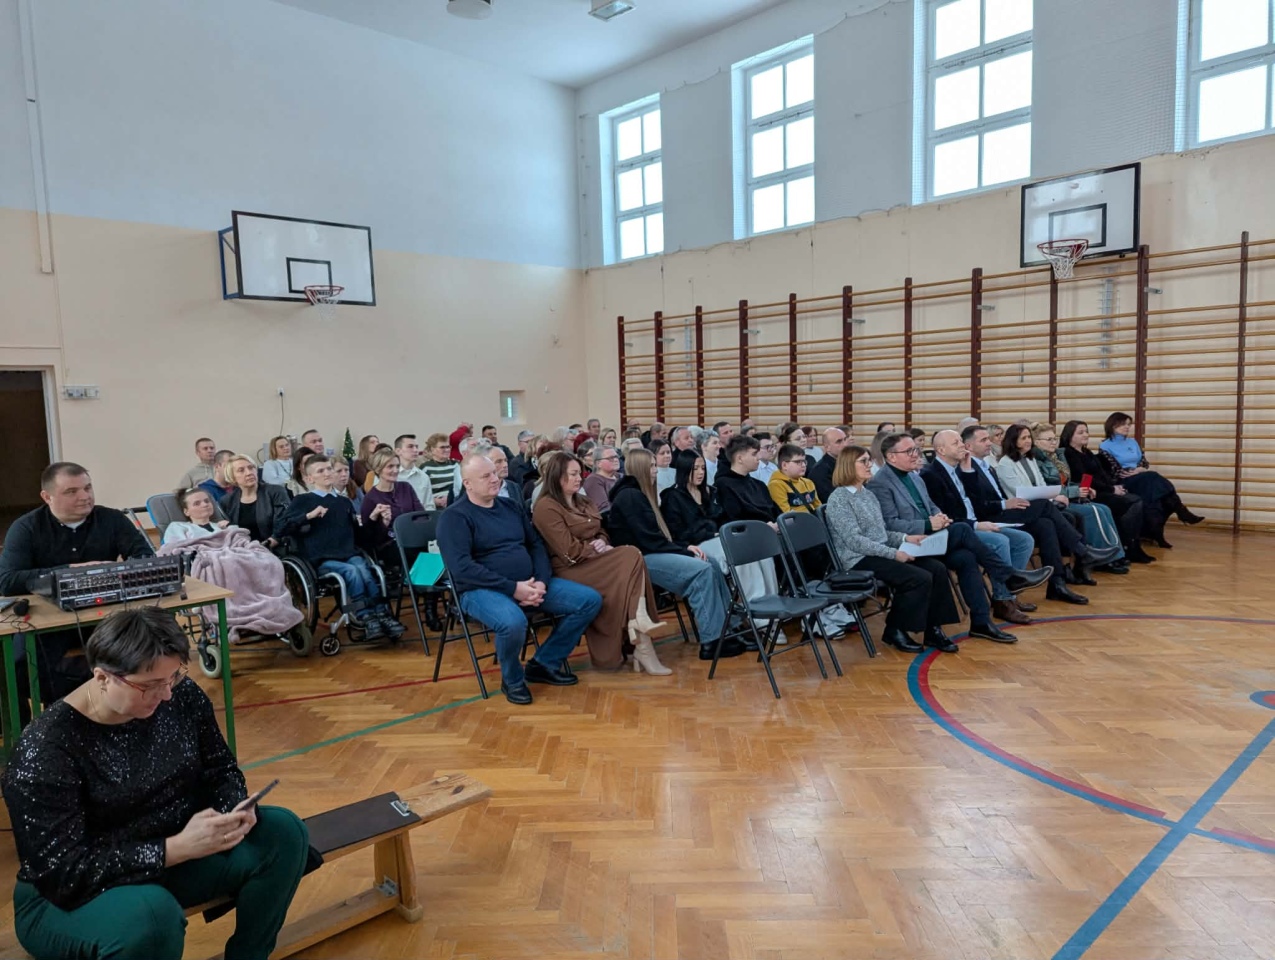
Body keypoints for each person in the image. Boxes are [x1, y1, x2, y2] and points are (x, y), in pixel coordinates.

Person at [0, 607, 310, 960]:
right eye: (149, 685)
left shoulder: (180, 694)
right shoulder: (46, 748)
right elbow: (64, 872)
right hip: (66, 895)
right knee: (153, 917)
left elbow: (221, 769)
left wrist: (232, 812)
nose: (166, 694)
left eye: (174, 677)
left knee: (284, 832)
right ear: (102, 678)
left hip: (167, 859)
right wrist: (174, 848)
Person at [437, 453, 603, 704]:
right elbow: (462, 568)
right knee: (513, 623)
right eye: (486, 476)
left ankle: (544, 663)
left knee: (588, 600)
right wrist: (513, 588)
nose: (495, 478)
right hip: (479, 590)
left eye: (495, 472)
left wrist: (541, 582)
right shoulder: (454, 517)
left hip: (529, 583)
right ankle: (513, 680)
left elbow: (536, 545)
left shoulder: (511, 507)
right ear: (467, 483)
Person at [866, 433, 1049, 643]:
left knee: (966, 558)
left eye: (915, 450)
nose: (915, 454)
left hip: (931, 537)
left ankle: (981, 622)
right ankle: (1008, 576)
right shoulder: (881, 483)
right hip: (909, 542)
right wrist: (927, 524)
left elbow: (931, 506)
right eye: (909, 451)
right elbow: (889, 524)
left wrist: (939, 517)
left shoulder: (915, 477)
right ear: (891, 457)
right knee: (962, 529)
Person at [0, 462, 156, 706]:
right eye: (71, 492)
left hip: (108, 615)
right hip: (49, 619)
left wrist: (113, 570)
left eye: (88, 488)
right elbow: (8, 581)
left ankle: (118, 704)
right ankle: (73, 707)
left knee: (152, 645)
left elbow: (146, 559)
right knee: (22, 662)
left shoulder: (112, 519)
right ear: (47, 496)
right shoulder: (26, 528)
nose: (85, 497)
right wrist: (67, 572)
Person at [932, 427, 1120, 604]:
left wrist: (1006, 502)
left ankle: (1057, 584)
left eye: (989, 439)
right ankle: (1082, 551)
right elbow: (977, 506)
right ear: (970, 446)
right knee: (1044, 506)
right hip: (991, 515)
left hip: (999, 510)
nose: (990, 443)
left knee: (1045, 524)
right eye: (984, 440)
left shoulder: (985, 466)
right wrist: (1005, 503)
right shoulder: (966, 468)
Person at [532, 453, 672, 674]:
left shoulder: (583, 500)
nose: (580, 478)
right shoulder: (546, 507)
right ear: (558, 477)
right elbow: (568, 551)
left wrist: (603, 542)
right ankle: (640, 628)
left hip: (595, 560)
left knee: (630, 560)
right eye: (574, 474)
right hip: (569, 569)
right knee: (631, 555)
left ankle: (641, 637)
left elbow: (602, 530)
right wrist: (593, 548)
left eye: (580, 473)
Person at [606, 449, 739, 662]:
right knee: (701, 571)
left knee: (710, 561)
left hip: (649, 553)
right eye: (651, 466)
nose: (655, 470)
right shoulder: (630, 496)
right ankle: (711, 641)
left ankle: (730, 627)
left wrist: (683, 547)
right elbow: (649, 541)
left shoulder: (638, 493)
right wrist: (683, 549)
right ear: (640, 468)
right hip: (638, 560)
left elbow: (656, 538)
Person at [825, 446, 961, 654]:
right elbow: (855, 541)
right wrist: (894, 553)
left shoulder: (867, 495)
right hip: (858, 559)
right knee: (917, 577)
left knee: (936, 568)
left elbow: (882, 533)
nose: (869, 464)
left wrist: (907, 538)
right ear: (848, 466)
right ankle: (895, 629)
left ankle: (933, 629)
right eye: (863, 461)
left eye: (869, 460)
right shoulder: (839, 499)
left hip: (879, 551)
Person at [281, 456, 405, 641]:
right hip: (321, 558)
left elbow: (359, 537)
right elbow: (283, 528)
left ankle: (382, 613)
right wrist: (308, 516)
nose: (327, 473)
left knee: (365, 568)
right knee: (352, 571)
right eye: (320, 471)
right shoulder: (302, 501)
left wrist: (374, 519)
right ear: (308, 478)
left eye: (329, 469)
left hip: (347, 552)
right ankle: (366, 616)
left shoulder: (344, 502)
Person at [662, 452, 780, 617]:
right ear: (683, 470)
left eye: (702, 468)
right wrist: (712, 531)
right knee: (740, 553)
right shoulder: (672, 497)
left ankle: (772, 602)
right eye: (695, 468)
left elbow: (723, 518)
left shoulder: (711, 492)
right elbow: (678, 532)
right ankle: (758, 614)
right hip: (697, 543)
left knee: (760, 549)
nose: (701, 472)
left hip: (720, 537)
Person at [1000, 424, 1128, 574]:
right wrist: (1055, 495)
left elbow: (1041, 484)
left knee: (1070, 517)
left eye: (1029, 437)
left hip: (1039, 505)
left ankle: (1077, 568)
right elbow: (1021, 491)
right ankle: (1083, 553)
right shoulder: (1005, 463)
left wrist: (1053, 494)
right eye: (1024, 438)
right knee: (1070, 516)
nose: (1028, 441)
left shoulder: (1030, 459)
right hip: (1020, 508)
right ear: (1013, 441)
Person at [1100, 412, 1204, 546]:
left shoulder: (1132, 442)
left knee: (1157, 498)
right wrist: (1131, 471)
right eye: (1123, 424)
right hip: (1124, 480)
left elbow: (1144, 463)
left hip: (1141, 477)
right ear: (1112, 425)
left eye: (1128, 424)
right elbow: (1111, 470)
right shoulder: (1105, 446)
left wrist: (1139, 469)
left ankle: (1157, 533)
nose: (1127, 427)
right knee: (1153, 476)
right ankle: (1180, 510)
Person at [1061, 420, 1155, 563]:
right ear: (1069, 436)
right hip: (1091, 492)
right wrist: (1111, 489)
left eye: (1086, 431)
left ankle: (1129, 544)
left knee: (1135, 500)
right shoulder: (1069, 453)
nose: (1086, 435)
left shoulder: (1087, 452)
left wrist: (1115, 486)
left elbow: (1102, 474)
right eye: (1081, 432)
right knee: (1132, 503)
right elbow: (1084, 478)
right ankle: (1129, 546)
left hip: (1104, 489)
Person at [360, 447, 424, 567]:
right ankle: (412, 583)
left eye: (397, 466)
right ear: (378, 469)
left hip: (412, 539)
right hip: (388, 546)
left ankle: (424, 583)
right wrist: (384, 523)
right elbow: (369, 538)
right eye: (390, 467)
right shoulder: (370, 498)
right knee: (411, 552)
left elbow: (421, 515)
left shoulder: (406, 487)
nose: (395, 470)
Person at [220, 453, 289, 548]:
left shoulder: (275, 491)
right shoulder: (227, 501)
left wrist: (270, 542)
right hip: (243, 551)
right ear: (232, 477)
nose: (249, 473)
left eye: (251, 467)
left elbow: (284, 521)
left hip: (274, 548)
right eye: (241, 470)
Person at [162, 487, 229, 545]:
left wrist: (230, 526)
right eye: (197, 503)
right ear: (186, 511)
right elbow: (175, 549)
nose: (205, 505)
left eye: (207, 501)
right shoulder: (178, 527)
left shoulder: (222, 526)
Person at [391, 434, 434, 507]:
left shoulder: (423, 477)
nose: (415, 450)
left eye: (416, 447)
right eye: (410, 446)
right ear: (398, 451)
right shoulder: (389, 474)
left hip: (420, 516)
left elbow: (429, 505)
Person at [809, 427, 848, 502]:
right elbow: (832, 499)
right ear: (827, 447)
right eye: (839, 442)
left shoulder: (847, 464)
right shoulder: (820, 471)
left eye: (845, 439)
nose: (845, 444)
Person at [423, 433, 460, 509]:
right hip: (436, 506)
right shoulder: (426, 467)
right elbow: (422, 492)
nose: (446, 450)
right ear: (432, 449)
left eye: (448, 447)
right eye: (442, 447)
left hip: (456, 503)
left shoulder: (456, 465)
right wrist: (435, 501)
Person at [582, 443, 621, 512]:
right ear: (598, 463)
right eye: (610, 458)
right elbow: (604, 509)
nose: (615, 460)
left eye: (616, 456)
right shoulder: (593, 480)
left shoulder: (621, 476)